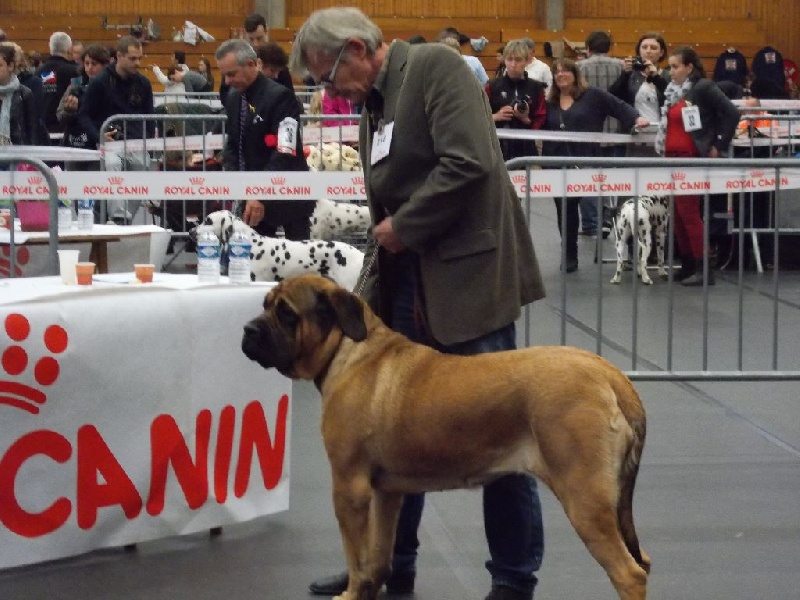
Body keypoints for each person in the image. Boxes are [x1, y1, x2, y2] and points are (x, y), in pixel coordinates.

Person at [289, 8, 546, 600]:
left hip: (468, 282)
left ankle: (513, 580)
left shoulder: (435, 68)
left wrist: (404, 226)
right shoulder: (374, 103)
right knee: (397, 437)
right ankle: (382, 567)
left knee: (504, 440)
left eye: (329, 77)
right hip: (407, 284)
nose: (332, 91)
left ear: (358, 49)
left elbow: (468, 161)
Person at [542, 58, 648, 273]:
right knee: (565, 210)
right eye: (556, 72)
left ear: (575, 74)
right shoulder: (548, 101)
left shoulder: (594, 95)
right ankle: (569, 254)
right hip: (556, 162)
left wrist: (636, 119)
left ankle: (631, 251)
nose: (560, 75)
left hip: (588, 161)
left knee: (610, 205)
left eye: (565, 71)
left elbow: (620, 107)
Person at [654, 45, 739, 286]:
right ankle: (688, 265)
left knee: (689, 213)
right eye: (670, 67)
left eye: (675, 67)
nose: (671, 71)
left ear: (689, 67)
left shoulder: (703, 88)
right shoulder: (674, 92)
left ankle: (703, 268)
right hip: (672, 158)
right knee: (678, 214)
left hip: (690, 158)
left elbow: (732, 113)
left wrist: (719, 145)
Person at [215, 39, 313, 239]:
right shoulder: (233, 97)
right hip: (251, 198)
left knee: (298, 256)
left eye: (231, 74)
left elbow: (285, 150)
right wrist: (236, 181)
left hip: (288, 196)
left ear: (251, 64)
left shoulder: (281, 97)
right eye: (224, 75)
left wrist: (259, 191)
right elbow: (233, 144)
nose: (227, 81)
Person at [77, 35, 155, 223]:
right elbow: (83, 115)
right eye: (133, 58)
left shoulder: (144, 84)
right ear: (119, 56)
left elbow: (150, 117)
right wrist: (99, 135)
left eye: (140, 58)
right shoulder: (99, 82)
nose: (138, 63)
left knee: (143, 166)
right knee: (113, 166)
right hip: (110, 144)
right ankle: (119, 216)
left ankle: (125, 218)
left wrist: (150, 142)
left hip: (136, 142)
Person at [578, 30, 624, 236]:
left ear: (587, 48)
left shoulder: (579, 68)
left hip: (588, 130)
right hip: (617, 130)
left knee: (588, 177)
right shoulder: (621, 67)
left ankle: (591, 223)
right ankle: (609, 217)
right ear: (609, 47)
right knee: (613, 177)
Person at [485, 39, 546, 161]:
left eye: (518, 60)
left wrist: (526, 119)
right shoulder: (492, 86)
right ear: (504, 60)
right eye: (509, 59)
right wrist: (495, 116)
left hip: (527, 149)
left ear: (527, 61)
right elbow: (478, 115)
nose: (513, 65)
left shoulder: (536, 88)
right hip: (497, 149)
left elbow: (541, 118)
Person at [609, 32, 669, 138]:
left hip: (661, 133)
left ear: (661, 52)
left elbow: (673, 97)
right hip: (632, 133)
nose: (648, 51)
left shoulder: (667, 76)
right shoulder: (630, 75)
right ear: (639, 51)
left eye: (653, 48)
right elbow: (612, 97)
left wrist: (656, 77)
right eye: (644, 47)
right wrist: (625, 74)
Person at [57, 44, 111, 150]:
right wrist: (69, 111)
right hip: (75, 142)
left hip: (100, 141)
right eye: (87, 63)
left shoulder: (111, 85)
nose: (89, 68)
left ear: (104, 65)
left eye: (94, 64)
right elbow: (60, 117)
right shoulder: (75, 85)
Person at [36, 31, 78, 138]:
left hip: (42, 126)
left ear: (50, 48)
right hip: (64, 126)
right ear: (69, 49)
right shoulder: (74, 71)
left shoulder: (39, 71)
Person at [0, 45, 39, 146]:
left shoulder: (24, 94)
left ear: (10, 66)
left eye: (0, 65)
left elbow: (32, 130)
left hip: (17, 150)